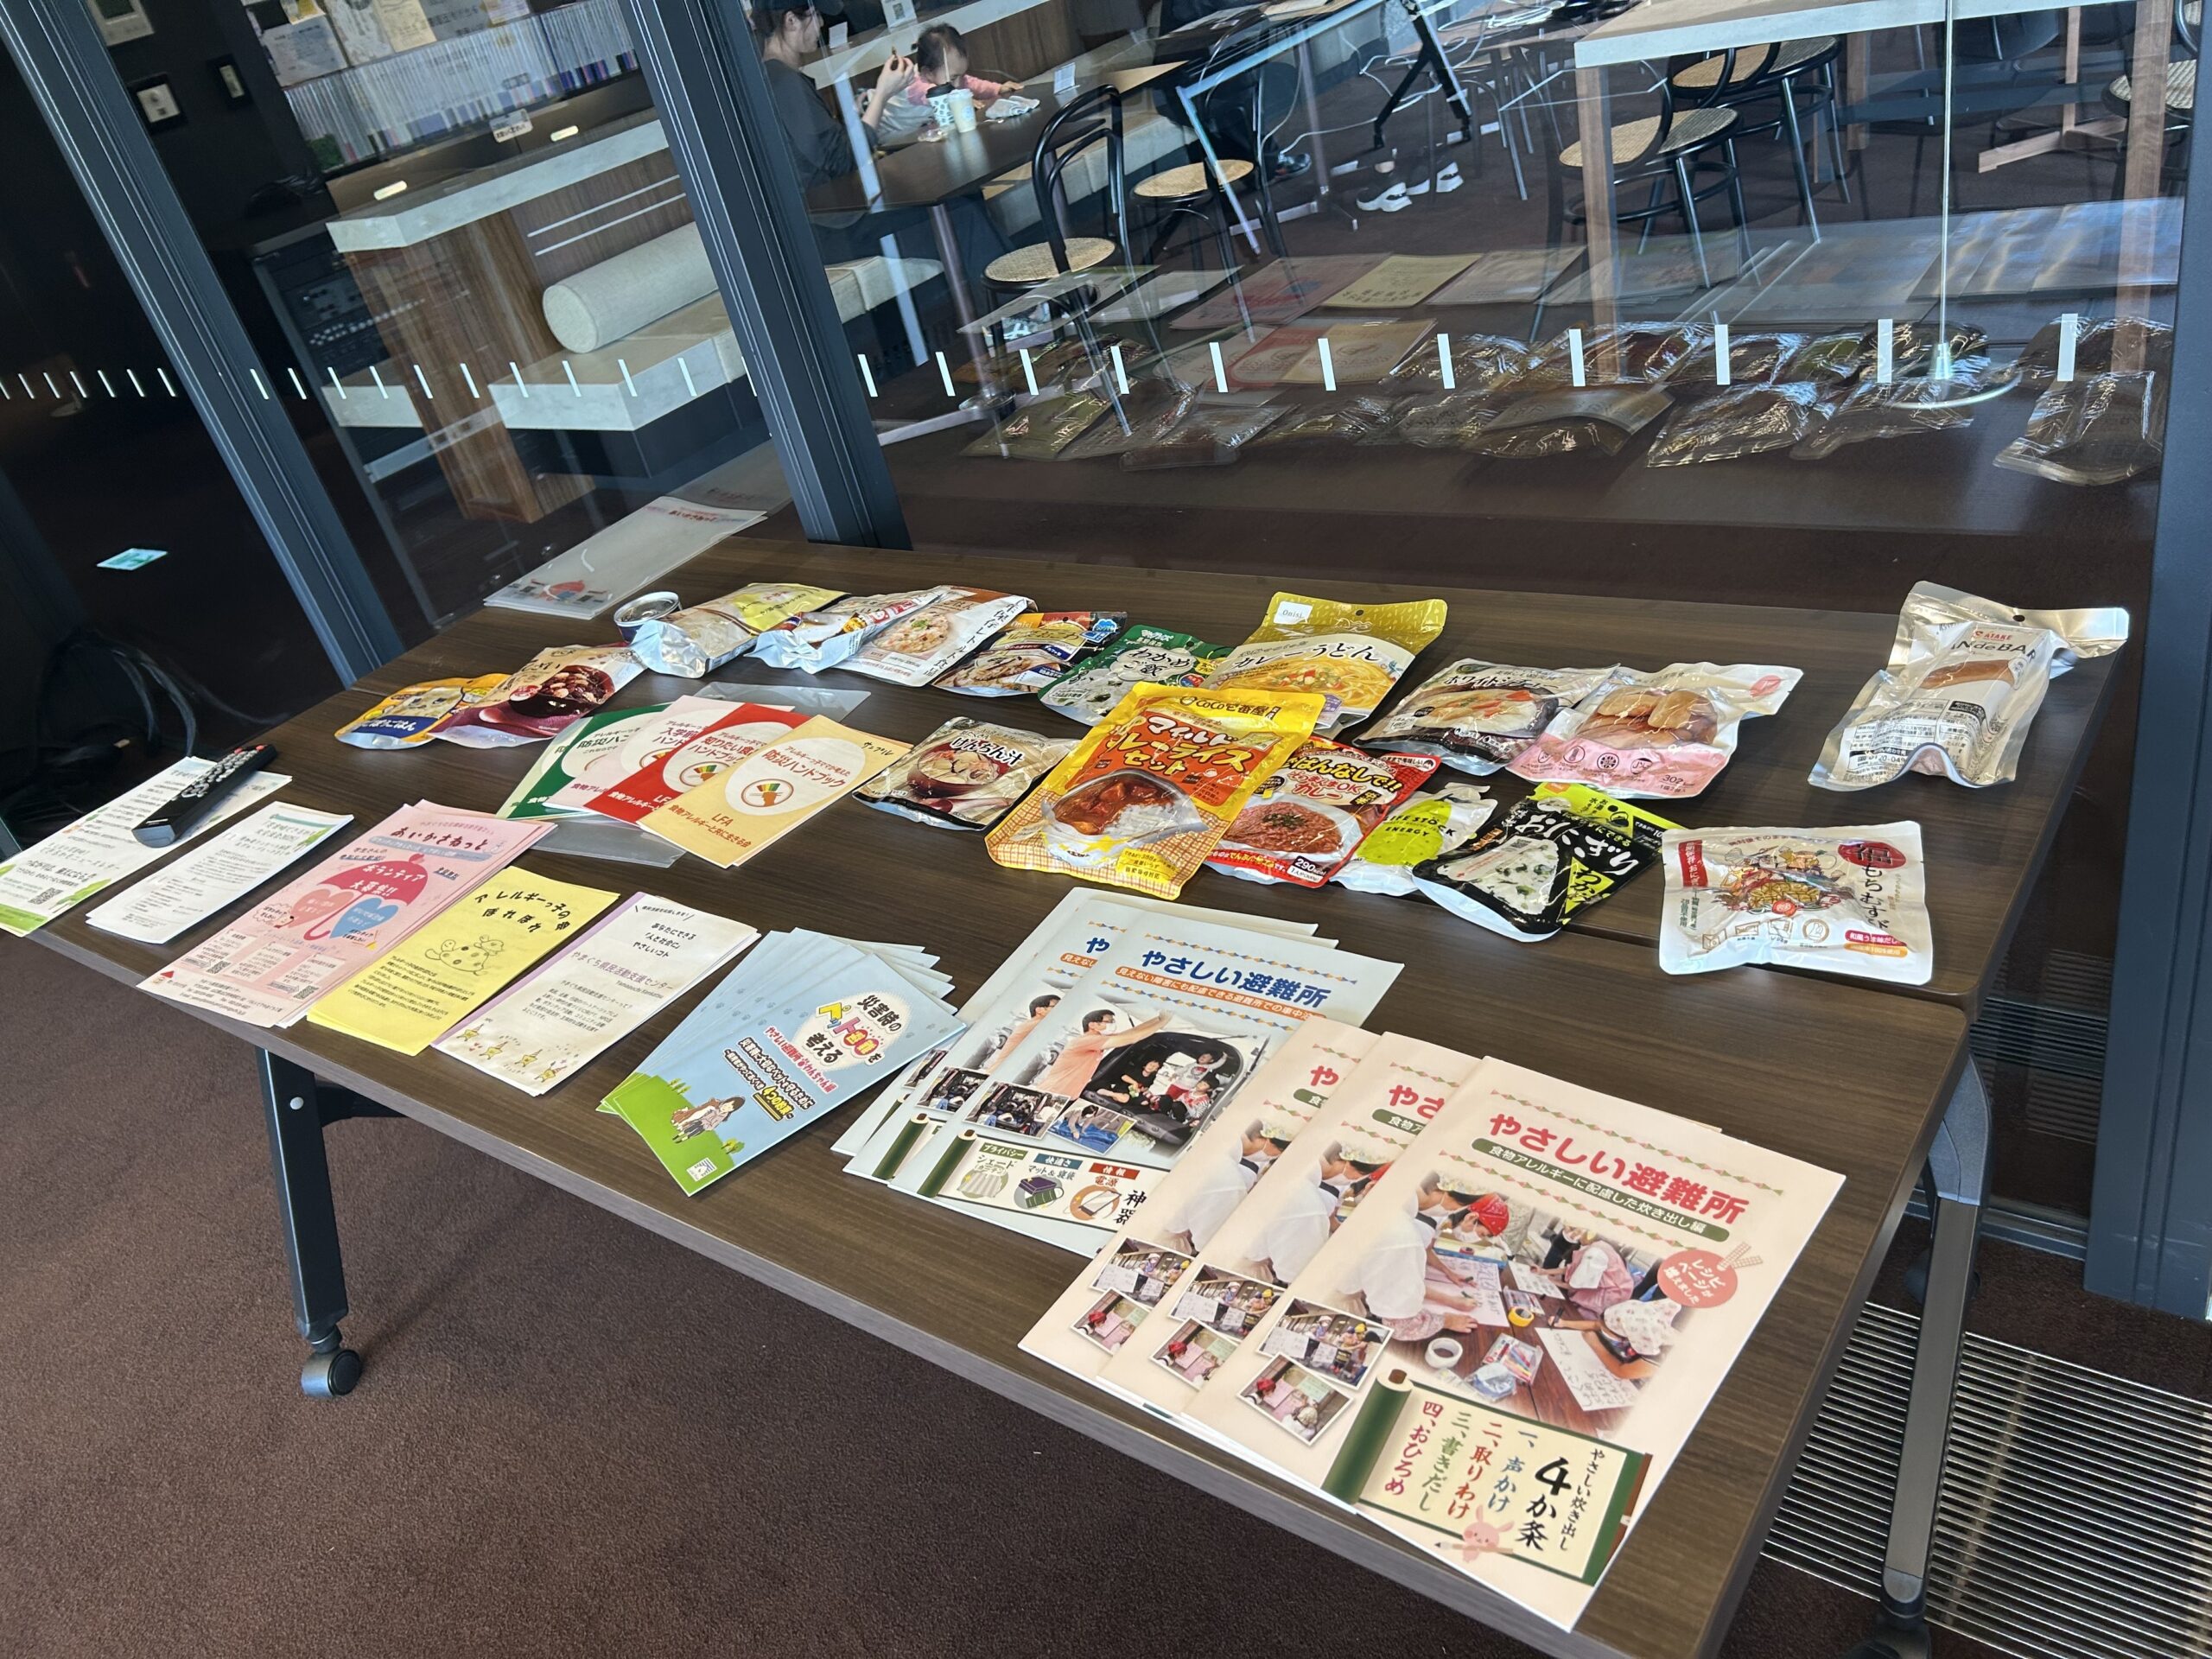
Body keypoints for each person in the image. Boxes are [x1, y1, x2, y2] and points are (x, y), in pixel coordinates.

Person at [753, 0, 912, 191]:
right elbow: (842, 160)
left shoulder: (775, 76)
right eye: (816, 15)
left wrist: (852, 118)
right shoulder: (785, 83)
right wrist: (882, 94)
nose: (821, 23)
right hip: (832, 203)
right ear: (791, 20)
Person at [874, 24, 1023, 146]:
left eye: (961, 75)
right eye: (953, 78)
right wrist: (961, 101)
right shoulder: (915, 85)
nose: (958, 83)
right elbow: (938, 96)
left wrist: (997, 89)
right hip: (891, 137)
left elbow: (972, 83)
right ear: (927, 73)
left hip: (922, 131)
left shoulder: (950, 77)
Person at [1032, 1009, 1167, 1098]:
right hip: (1053, 1092)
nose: (1112, 1024)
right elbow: (1132, 1038)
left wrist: (1158, 1019)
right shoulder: (1087, 1040)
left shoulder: (1096, 1040)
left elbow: (1131, 1033)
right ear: (1093, 1025)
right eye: (1109, 1021)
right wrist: (1163, 1022)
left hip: (1066, 1095)